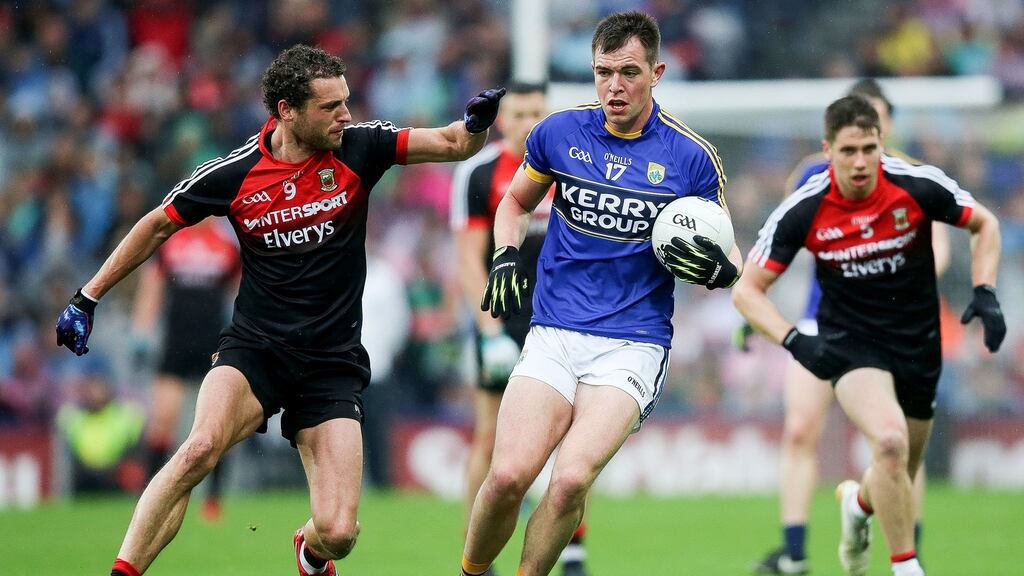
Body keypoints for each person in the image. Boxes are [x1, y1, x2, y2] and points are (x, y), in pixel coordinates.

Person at [54, 44, 505, 576]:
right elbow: (157, 224)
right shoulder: (234, 173)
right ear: (286, 111)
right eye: (330, 106)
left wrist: (475, 125)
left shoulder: (361, 148)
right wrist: (88, 295)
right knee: (198, 447)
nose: (345, 115)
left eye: (346, 101)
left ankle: (309, 552)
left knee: (339, 533)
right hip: (255, 351)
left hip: (331, 364)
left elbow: (453, 143)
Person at [460, 12, 742, 576]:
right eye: (603, 72)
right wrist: (506, 254)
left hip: (632, 344)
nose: (614, 86)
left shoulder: (691, 157)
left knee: (567, 482)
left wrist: (722, 273)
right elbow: (513, 204)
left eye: (629, 72)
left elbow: (726, 252)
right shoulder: (559, 134)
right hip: (554, 333)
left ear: (657, 72)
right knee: (510, 474)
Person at [733, 95, 1004, 576]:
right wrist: (796, 340)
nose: (861, 162)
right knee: (890, 442)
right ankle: (905, 566)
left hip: (919, 346)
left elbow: (985, 223)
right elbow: (748, 292)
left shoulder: (915, 184)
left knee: (899, 468)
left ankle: (858, 503)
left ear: (883, 144)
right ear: (828, 149)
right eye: (849, 150)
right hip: (852, 346)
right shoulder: (807, 206)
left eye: (870, 149)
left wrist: (986, 291)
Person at [451, 82, 589, 576]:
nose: (531, 120)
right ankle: (475, 554)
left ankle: (573, 549)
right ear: (502, 120)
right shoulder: (479, 173)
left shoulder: (570, 165)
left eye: (538, 111)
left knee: (573, 440)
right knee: (490, 441)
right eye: (521, 112)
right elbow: (470, 259)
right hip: (502, 319)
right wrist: (488, 332)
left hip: (561, 319)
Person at [131, 216, 241, 523]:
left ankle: (214, 500)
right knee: (163, 419)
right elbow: (152, 288)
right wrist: (141, 332)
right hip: (176, 344)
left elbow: (241, 289)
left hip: (214, 343)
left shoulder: (228, 245)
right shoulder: (172, 242)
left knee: (220, 421)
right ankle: (148, 496)